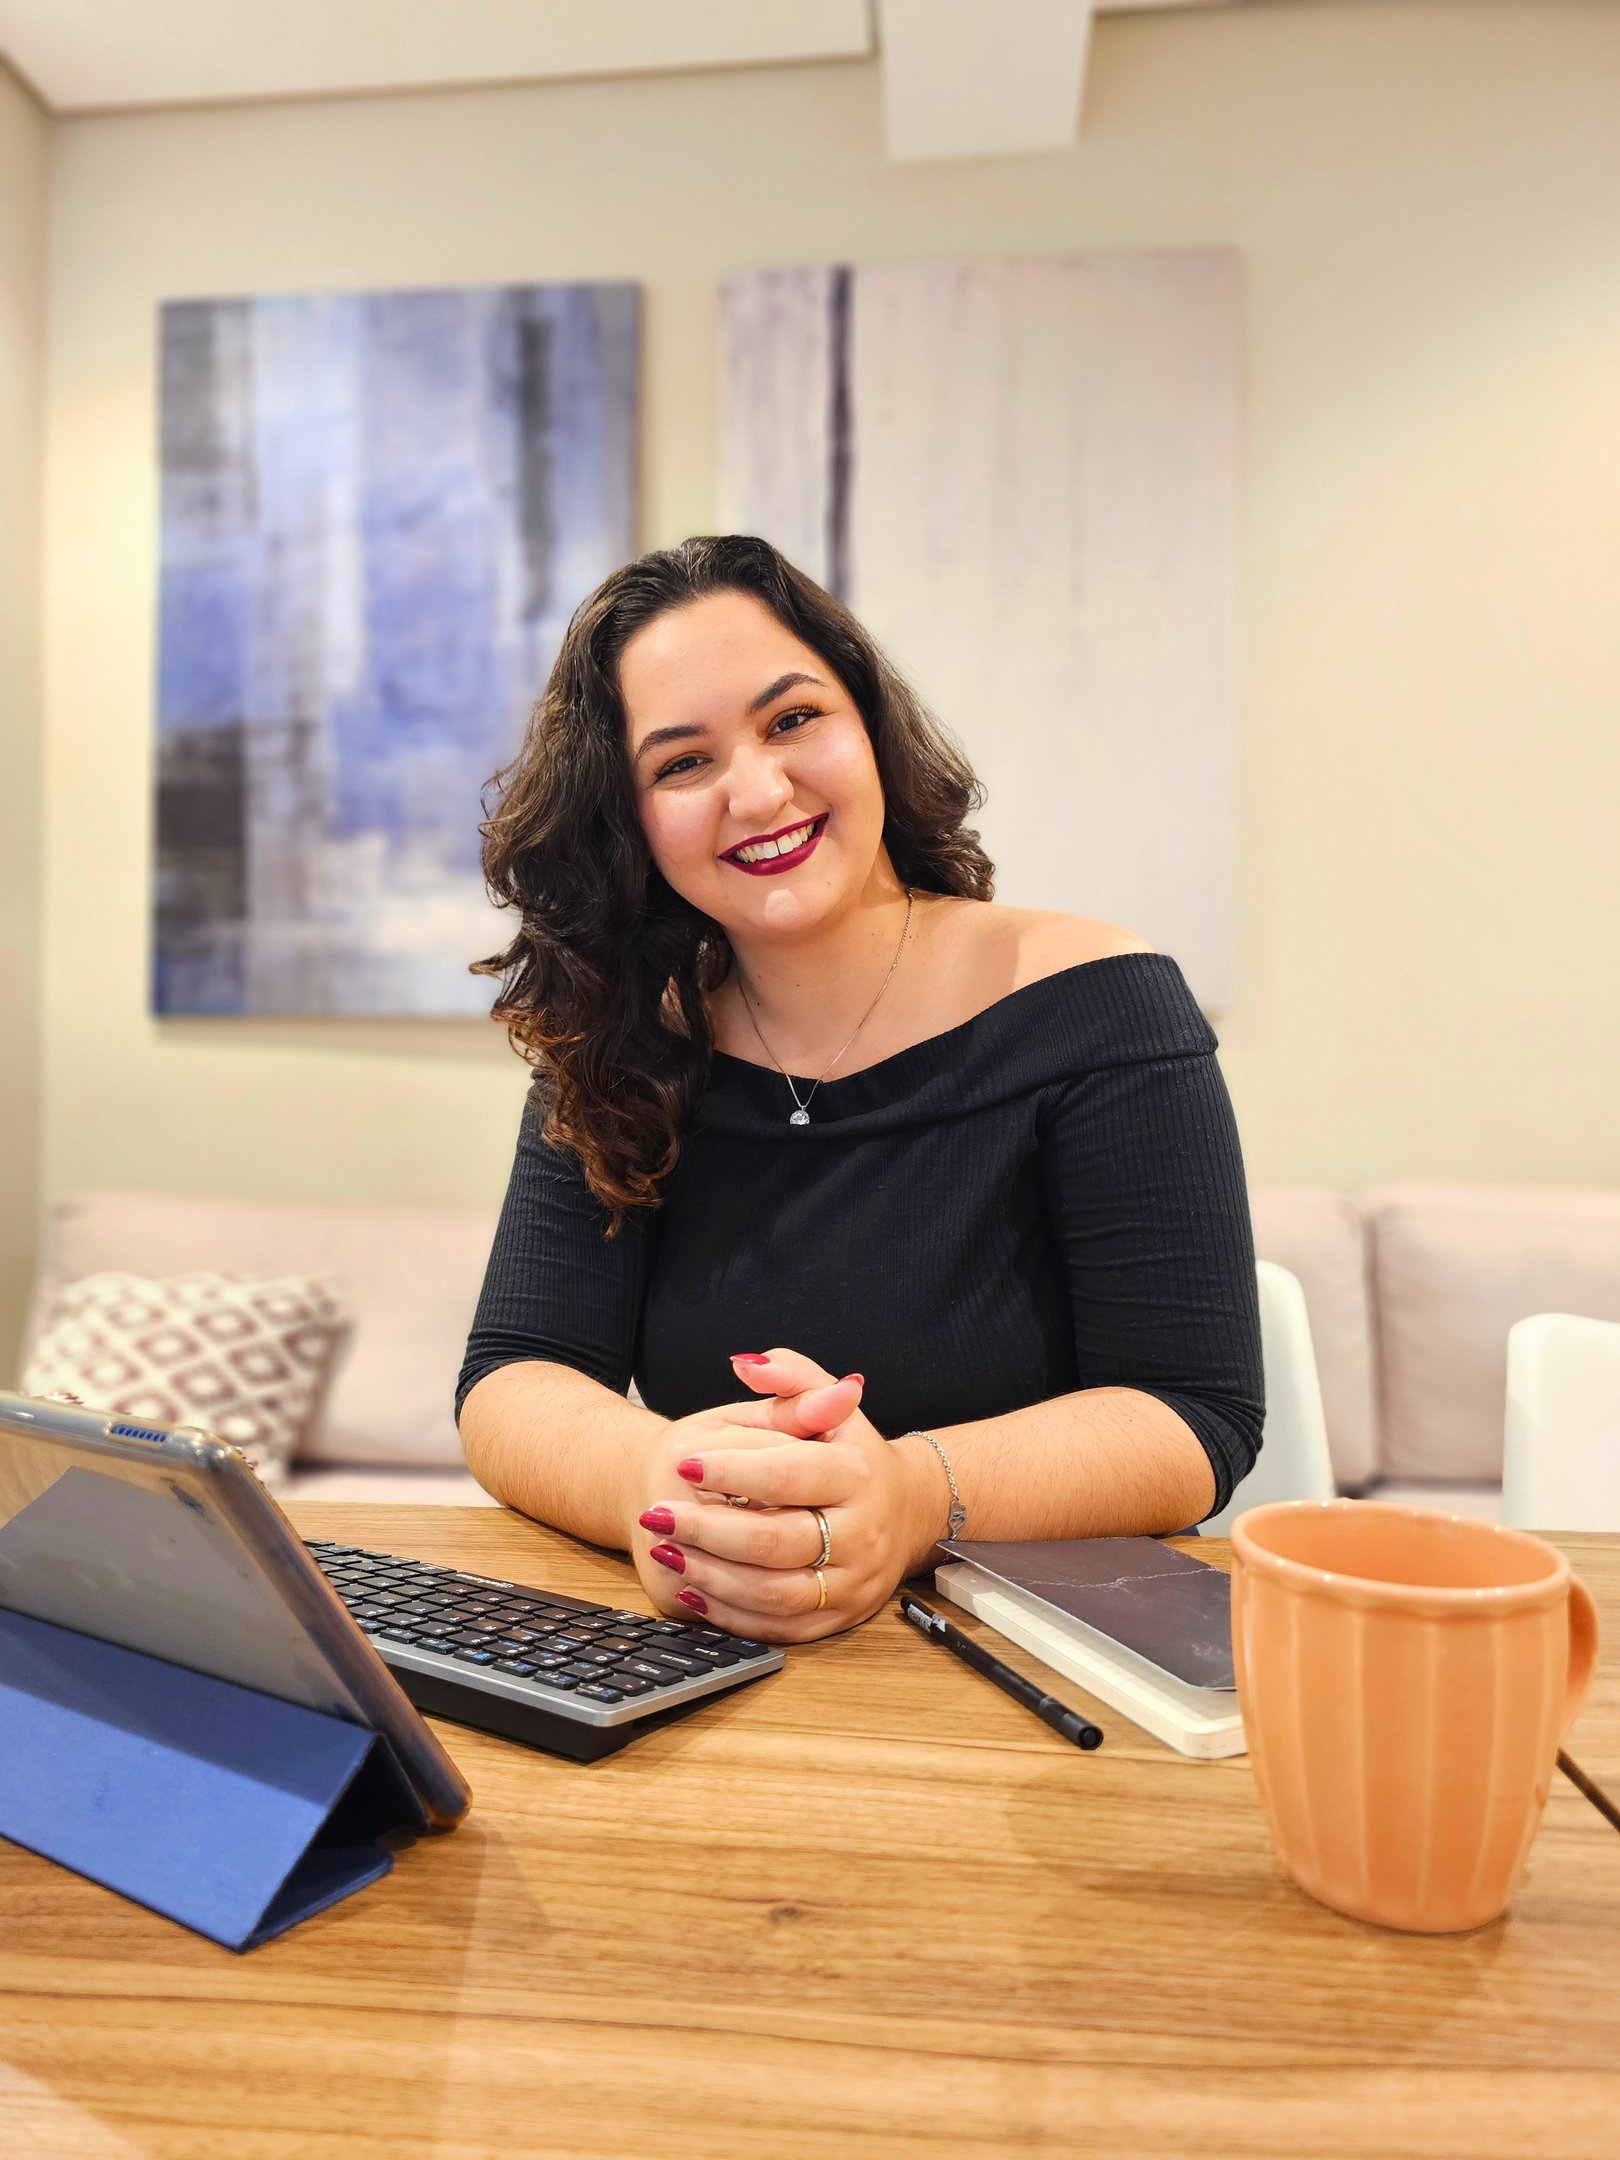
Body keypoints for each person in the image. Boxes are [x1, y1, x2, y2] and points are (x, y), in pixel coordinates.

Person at [456, 534, 1263, 1642]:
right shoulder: (622, 1046)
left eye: (794, 720)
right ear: (628, 819)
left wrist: (911, 1495)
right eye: (681, 764)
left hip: (1045, 1653)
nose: (758, 791)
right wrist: (661, 1479)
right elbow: (515, 1374)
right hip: (723, 1647)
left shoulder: (1100, 1004)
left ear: (872, 727)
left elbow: (1194, 1414)